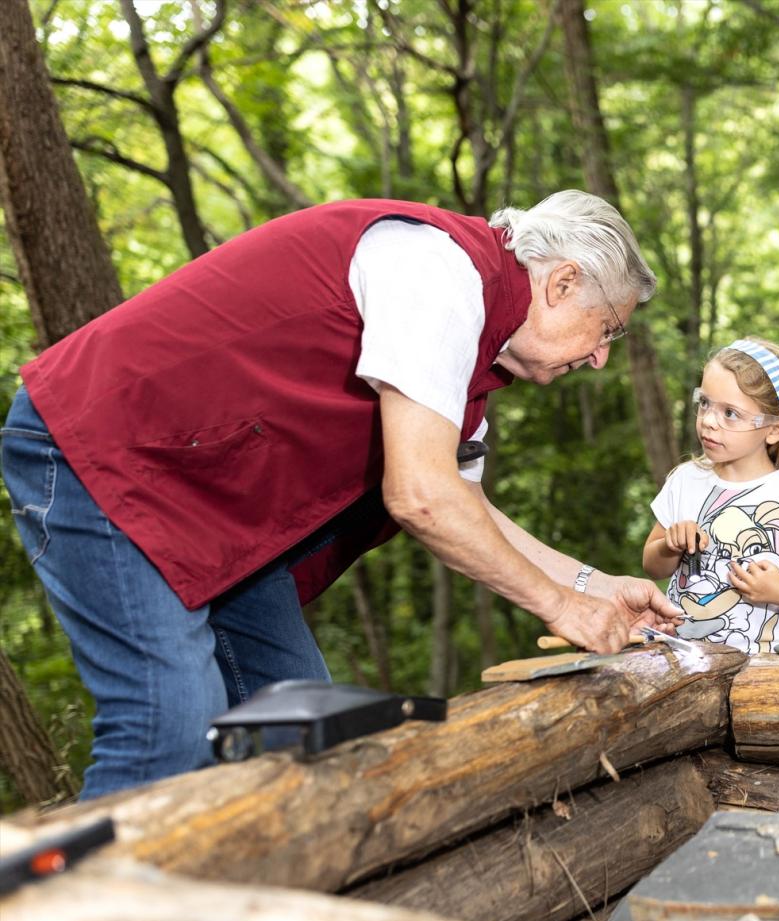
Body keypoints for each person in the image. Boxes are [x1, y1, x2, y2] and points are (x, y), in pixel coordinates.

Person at [1, 191, 680, 799]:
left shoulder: (471, 358)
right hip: (108, 452)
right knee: (167, 722)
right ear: (562, 282)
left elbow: (465, 506)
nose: (599, 358)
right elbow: (422, 498)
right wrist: (562, 607)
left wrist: (594, 586)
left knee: (296, 724)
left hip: (215, 502)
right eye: (608, 329)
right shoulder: (436, 274)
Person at [642, 337, 779, 653]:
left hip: (760, 672)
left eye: (730, 413)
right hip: (680, 660)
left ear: (774, 430)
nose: (708, 420)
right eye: (705, 403)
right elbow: (653, 567)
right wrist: (670, 545)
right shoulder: (686, 480)